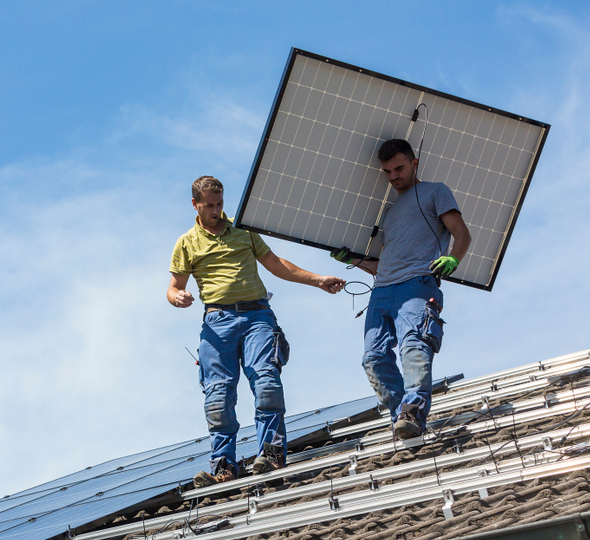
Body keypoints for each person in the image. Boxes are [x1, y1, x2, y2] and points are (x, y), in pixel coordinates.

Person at [169, 176, 346, 487]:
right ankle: (224, 465)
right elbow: (173, 288)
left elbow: (275, 264)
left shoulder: (243, 230)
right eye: (209, 205)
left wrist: (317, 279)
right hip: (217, 323)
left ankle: (272, 452)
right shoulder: (186, 243)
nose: (216, 210)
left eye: (220, 203)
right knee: (218, 395)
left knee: (266, 380)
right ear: (195, 204)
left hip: (257, 316)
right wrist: (178, 298)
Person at [333, 139, 471, 439]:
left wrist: (453, 259)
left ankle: (413, 410)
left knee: (414, 345)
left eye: (400, 168)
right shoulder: (390, 213)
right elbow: (384, 265)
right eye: (388, 171)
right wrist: (354, 260)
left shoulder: (435, 191)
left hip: (417, 284)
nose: (394, 176)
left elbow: (462, 234)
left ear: (415, 163)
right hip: (382, 291)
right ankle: (402, 419)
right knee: (373, 358)